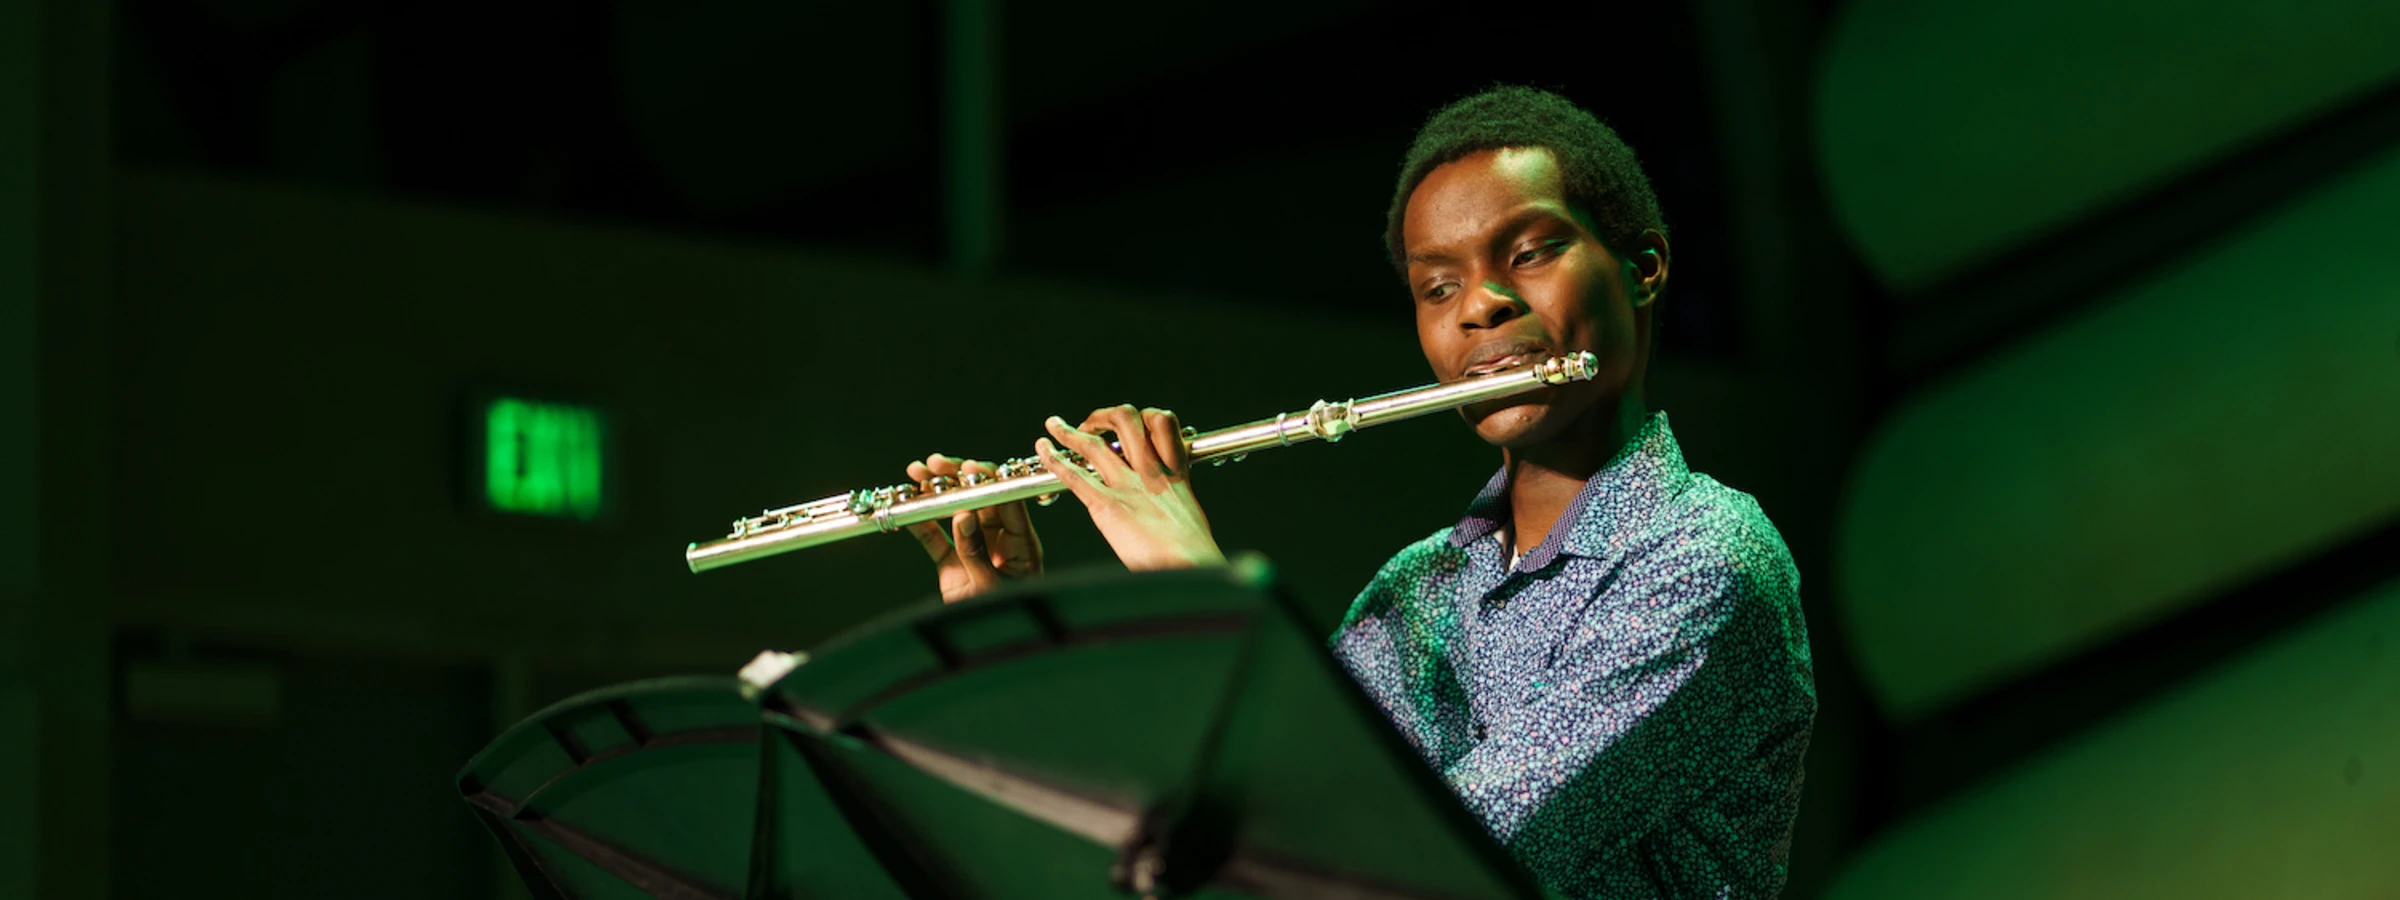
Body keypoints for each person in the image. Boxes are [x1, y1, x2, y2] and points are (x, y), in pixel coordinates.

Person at [901, 85, 1814, 899]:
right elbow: (1213, 847)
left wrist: (1193, 579)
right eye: (1437, 286)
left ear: (1644, 266)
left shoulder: (1705, 561)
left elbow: (1426, 868)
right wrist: (1011, 634)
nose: (1480, 307)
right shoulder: (1413, 589)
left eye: (1530, 253)